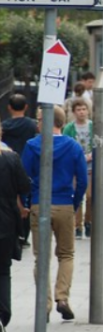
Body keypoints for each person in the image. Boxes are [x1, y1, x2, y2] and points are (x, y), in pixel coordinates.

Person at [21, 105, 87, 321]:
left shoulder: (32, 145)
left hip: (40, 204)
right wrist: (74, 203)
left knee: (42, 257)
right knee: (66, 254)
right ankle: (62, 297)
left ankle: (45, 304)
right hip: (65, 203)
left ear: (48, 121)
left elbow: (25, 178)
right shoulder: (73, 146)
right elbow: (83, 179)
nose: (37, 123)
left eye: (39, 119)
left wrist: (30, 201)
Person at [0, 133, 30, 331]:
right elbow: (25, 186)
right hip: (5, 224)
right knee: (2, 270)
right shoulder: (10, 158)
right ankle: (2, 314)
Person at [1, 94, 37, 248]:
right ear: (26, 107)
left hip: (6, 166)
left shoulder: (5, 127)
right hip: (26, 165)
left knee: (9, 199)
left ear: (9, 108)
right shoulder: (31, 125)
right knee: (25, 198)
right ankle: (24, 233)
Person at [62, 100, 94, 240]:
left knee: (91, 196)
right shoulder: (69, 128)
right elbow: (66, 145)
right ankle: (78, 226)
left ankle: (89, 221)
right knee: (77, 196)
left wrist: (92, 155)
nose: (81, 112)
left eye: (84, 109)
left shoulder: (93, 126)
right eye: (78, 109)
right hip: (76, 167)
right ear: (74, 112)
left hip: (91, 166)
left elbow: (98, 143)